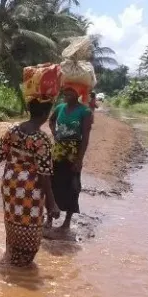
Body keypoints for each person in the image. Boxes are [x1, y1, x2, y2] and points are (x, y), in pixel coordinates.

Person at [0, 99, 60, 268]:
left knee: (12, 219)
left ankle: (10, 257)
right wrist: (51, 204)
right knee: (29, 224)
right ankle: (21, 265)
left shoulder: (13, 130)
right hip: (30, 188)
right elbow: (44, 174)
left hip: (10, 182)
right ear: (46, 114)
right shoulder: (42, 139)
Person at [46, 87, 93, 234]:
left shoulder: (85, 112)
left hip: (73, 152)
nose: (66, 95)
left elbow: (85, 137)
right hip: (58, 151)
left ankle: (66, 222)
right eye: (65, 92)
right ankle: (49, 219)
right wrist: (55, 132)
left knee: (72, 186)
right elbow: (51, 120)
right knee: (52, 183)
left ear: (78, 93)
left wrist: (79, 160)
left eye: (71, 92)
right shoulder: (60, 107)